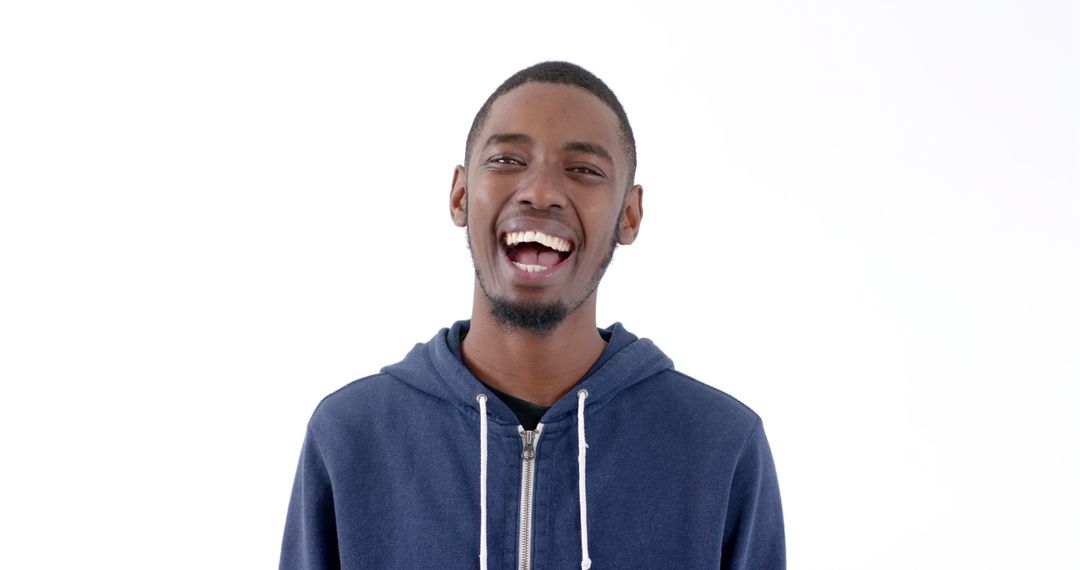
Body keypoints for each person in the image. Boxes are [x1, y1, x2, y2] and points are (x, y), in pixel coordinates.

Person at [279, 61, 785, 569]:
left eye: (583, 169)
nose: (540, 192)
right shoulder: (351, 437)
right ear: (459, 195)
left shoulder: (720, 447)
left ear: (629, 215)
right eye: (506, 160)